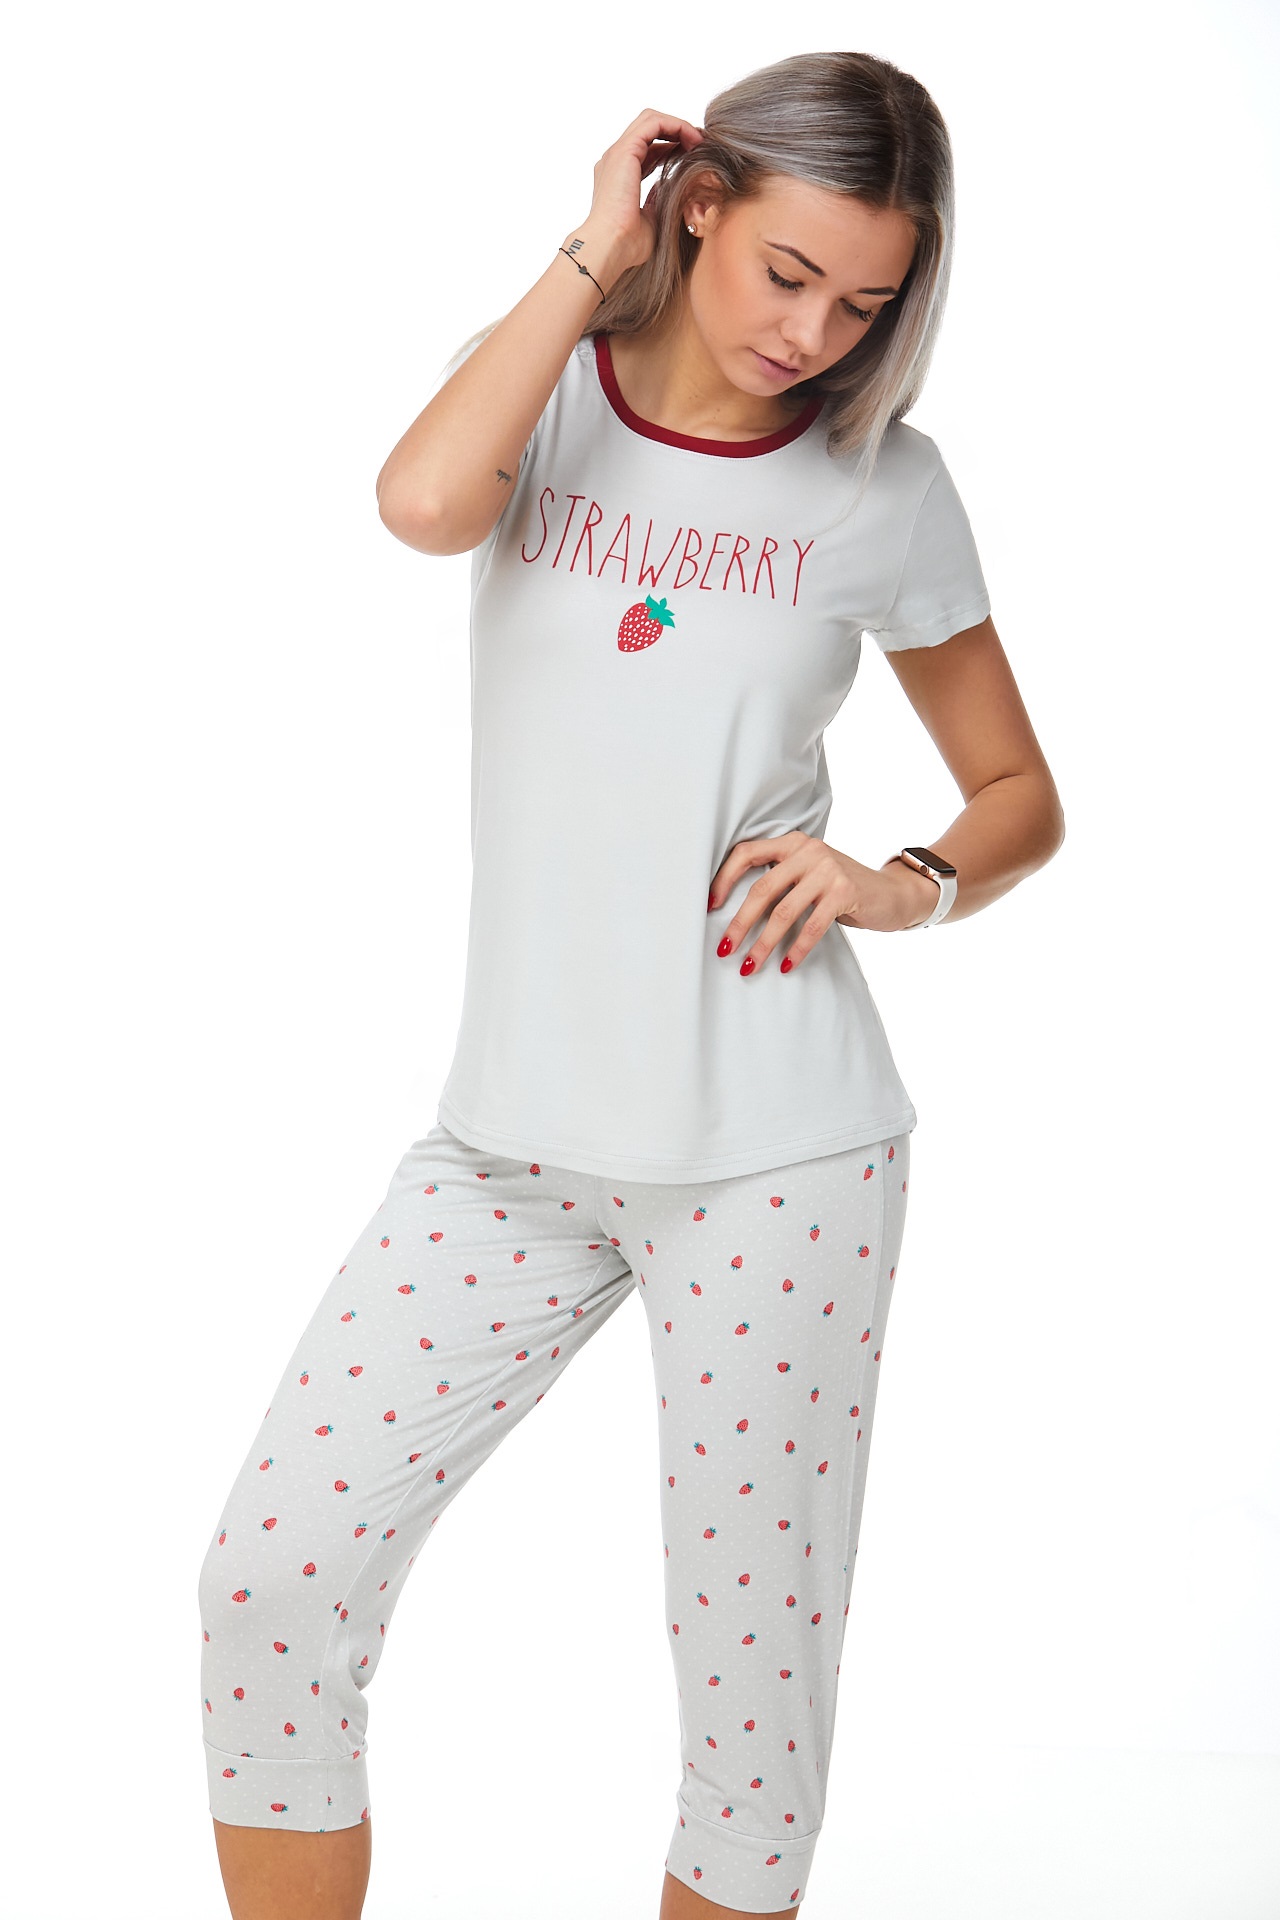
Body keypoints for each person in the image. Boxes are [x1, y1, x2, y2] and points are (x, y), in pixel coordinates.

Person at [198, 50, 1065, 1920]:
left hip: (779, 1158)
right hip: (504, 1147)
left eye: (865, 304)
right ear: (700, 202)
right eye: (786, 272)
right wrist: (593, 247)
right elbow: (422, 502)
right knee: (275, 1578)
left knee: (751, 1707)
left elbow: (1019, 794)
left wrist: (899, 881)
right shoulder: (548, 393)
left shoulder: (885, 490)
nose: (812, 334)